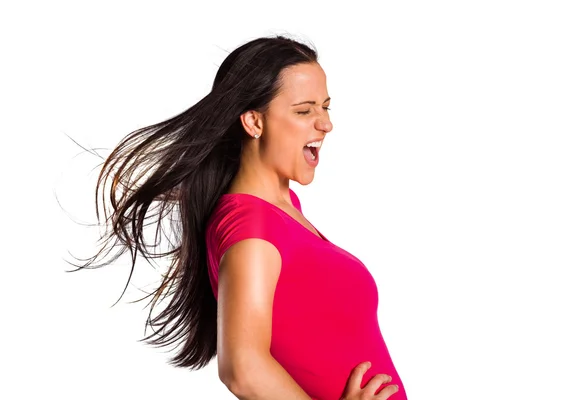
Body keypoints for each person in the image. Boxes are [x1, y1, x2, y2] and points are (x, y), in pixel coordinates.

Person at [70, 34, 407, 399]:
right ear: (253, 122)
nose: (325, 124)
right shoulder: (252, 226)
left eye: (325, 107)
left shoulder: (282, 209)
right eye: (304, 110)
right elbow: (242, 369)